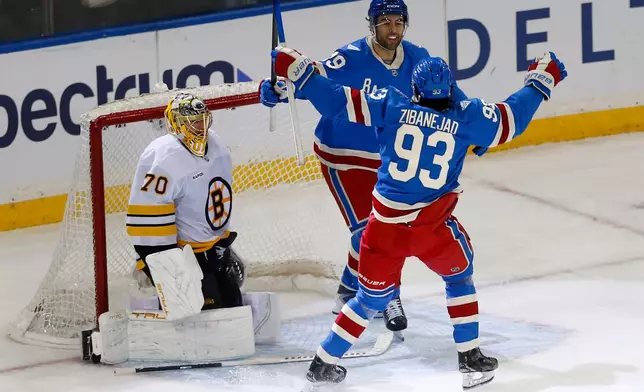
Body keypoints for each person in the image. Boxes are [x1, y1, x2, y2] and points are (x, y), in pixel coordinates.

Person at [271, 46, 567, 388]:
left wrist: (301, 73)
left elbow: (336, 101)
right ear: (450, 89)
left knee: (369, 299)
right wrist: (541, 81)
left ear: (415, 90)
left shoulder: (392, 105)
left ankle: (323, 363)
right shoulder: (466, 118)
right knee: (459, 278)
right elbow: (511, 118)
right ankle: (470, 358)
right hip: (431, 229)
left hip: (383, 231)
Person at [260, 0, 468, 333]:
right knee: (371, 231)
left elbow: (449, 93)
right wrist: (276, 89)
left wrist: (471, 125)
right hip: (342, 157)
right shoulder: (350, 56)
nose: (392, 28)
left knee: (375, 232)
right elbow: (312, 79)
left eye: (398, 21)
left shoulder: (418, 57)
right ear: (372, 25)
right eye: (385, 22)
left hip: (387, 161)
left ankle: (347, 289)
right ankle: (390, 296)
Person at [126, 93, 245, 311]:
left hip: (214, 251)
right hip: (183, 256)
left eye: (202, 120)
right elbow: (147, 222)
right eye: (192, 122)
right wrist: (163, 267)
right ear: (176, 124)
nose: (200, 127)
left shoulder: (217, 144)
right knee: (193, 316)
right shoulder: (163, 158)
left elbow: (211, 200)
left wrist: (222, 242)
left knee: (233, 307)